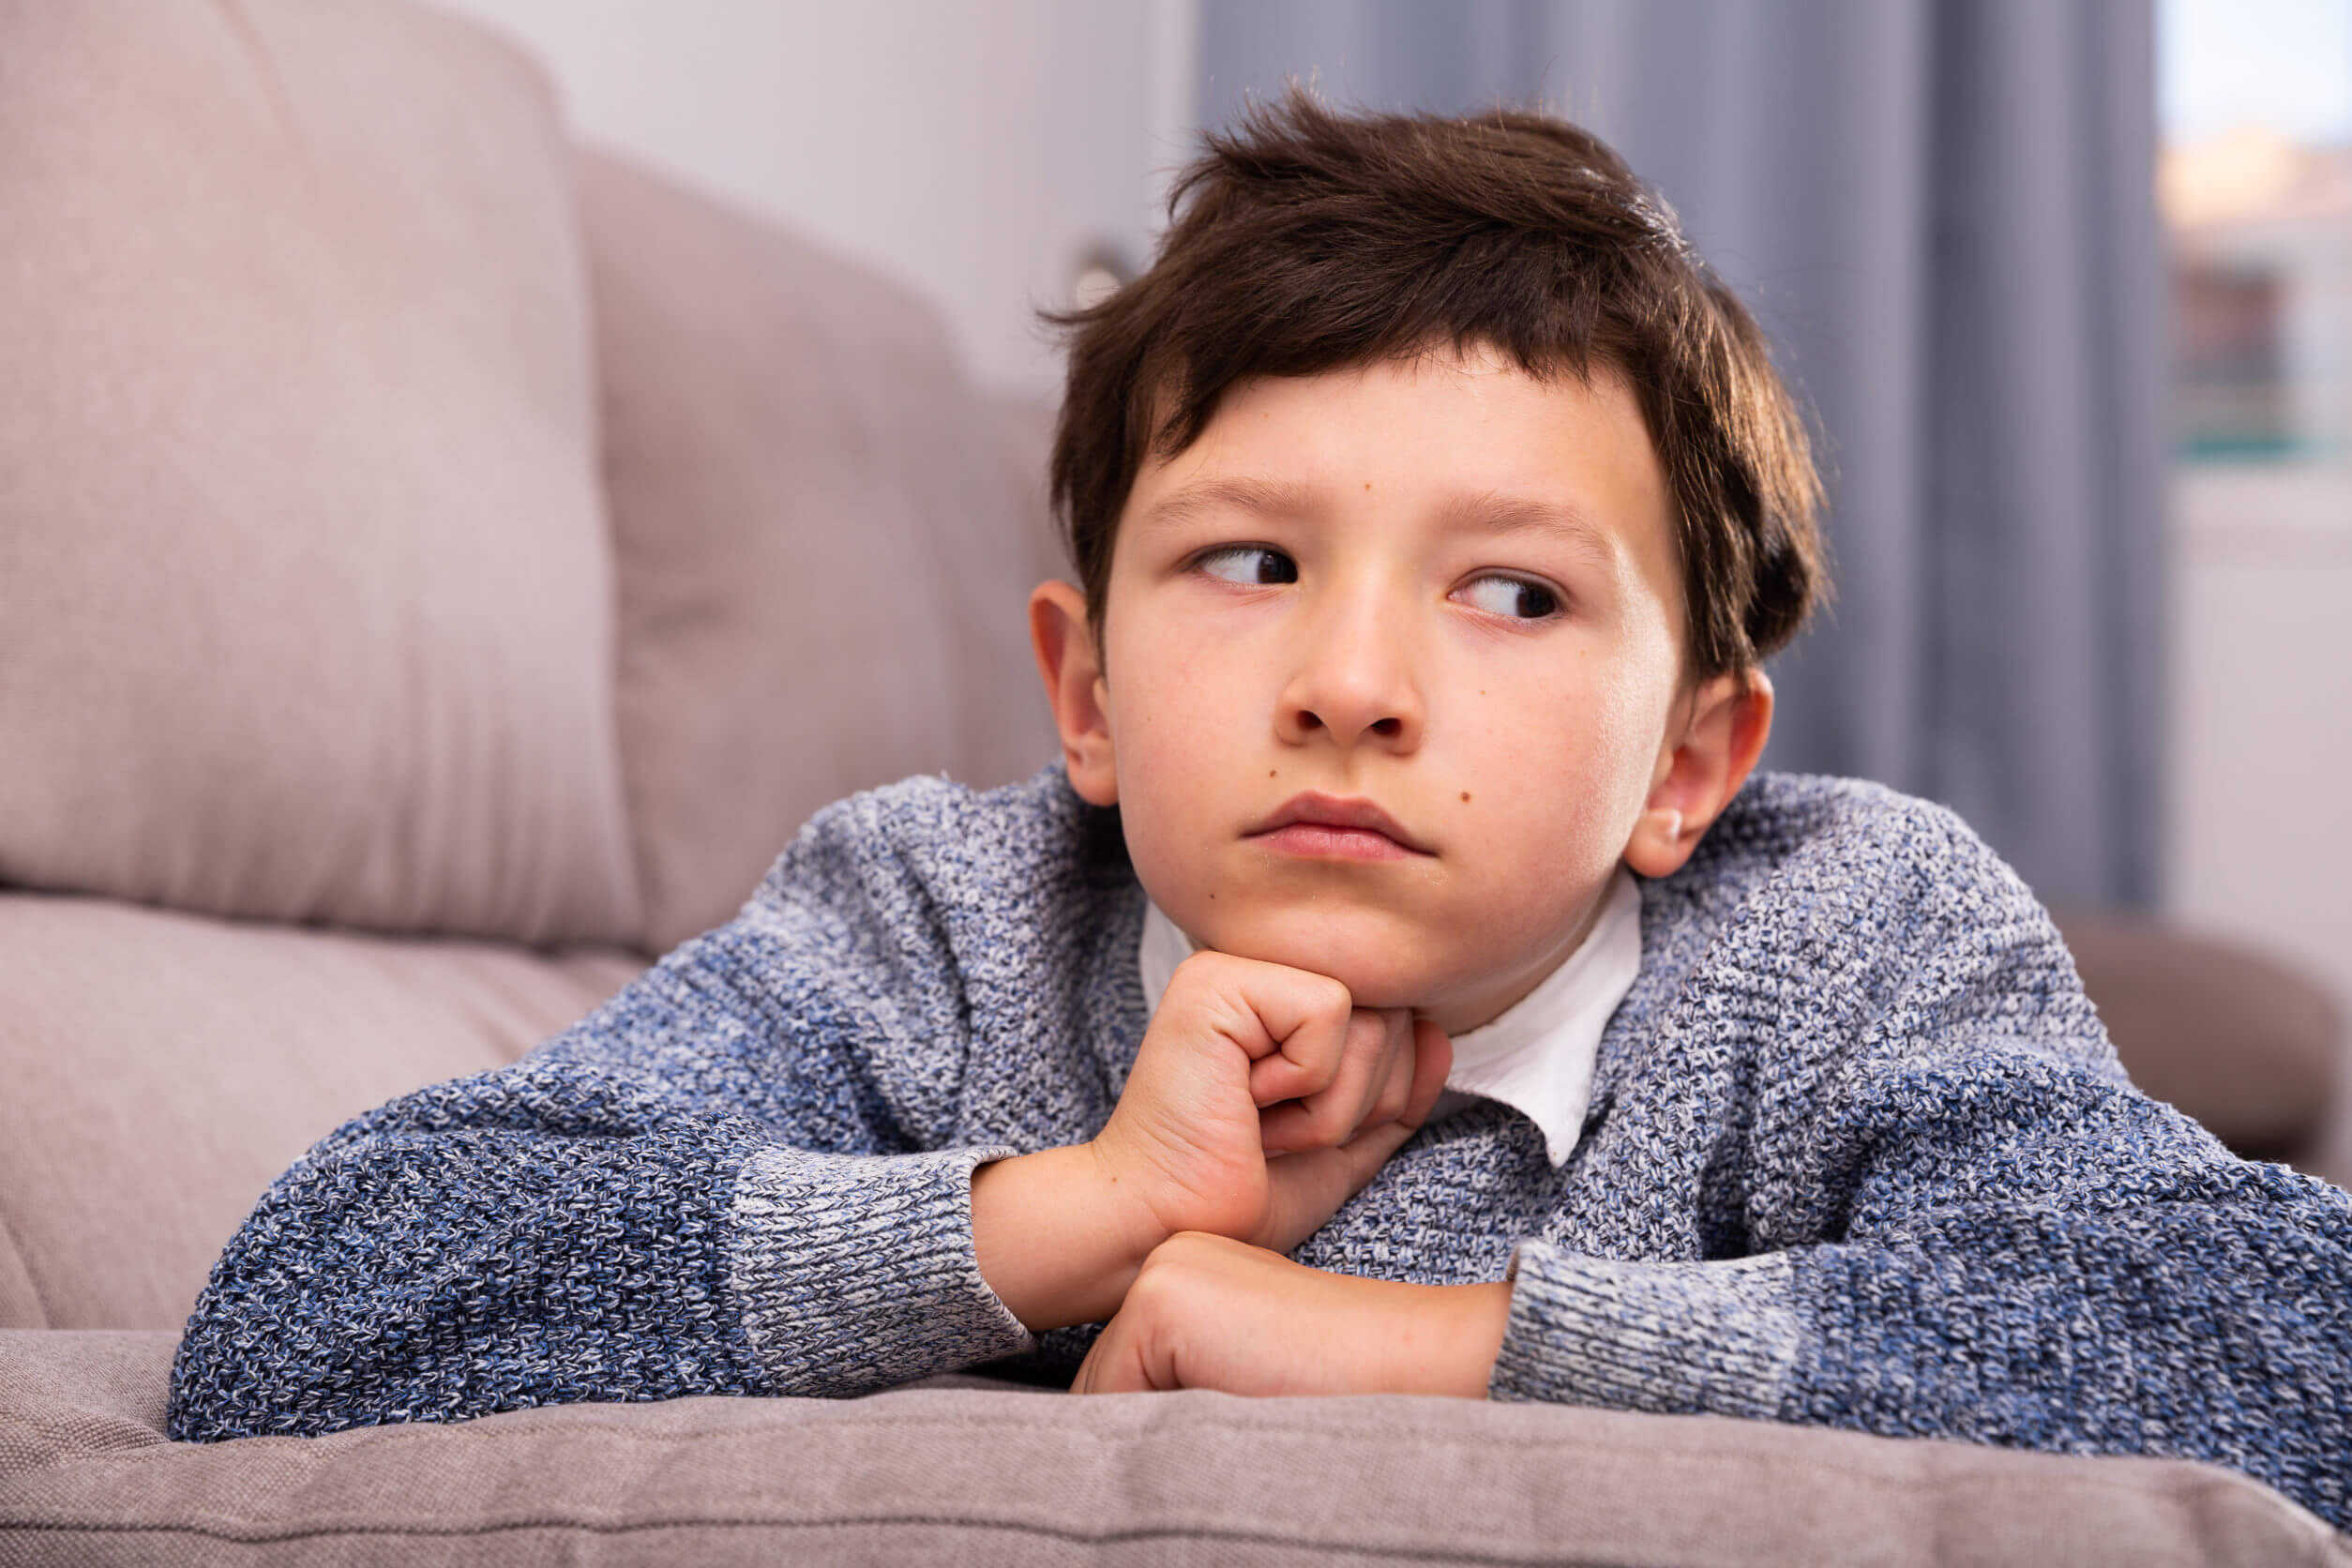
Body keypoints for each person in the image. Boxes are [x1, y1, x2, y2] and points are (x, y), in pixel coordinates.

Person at [167, 92, 2351, 1530]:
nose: (1350, 680)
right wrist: (1087, 1206)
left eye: (1511, 591)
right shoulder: (936, 912)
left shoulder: (1847, 931)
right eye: (1248, 561)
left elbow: (2277, 1345)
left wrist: (1426, 1343)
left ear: (1688, 761)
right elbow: (310, 1309)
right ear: (1089, 690)